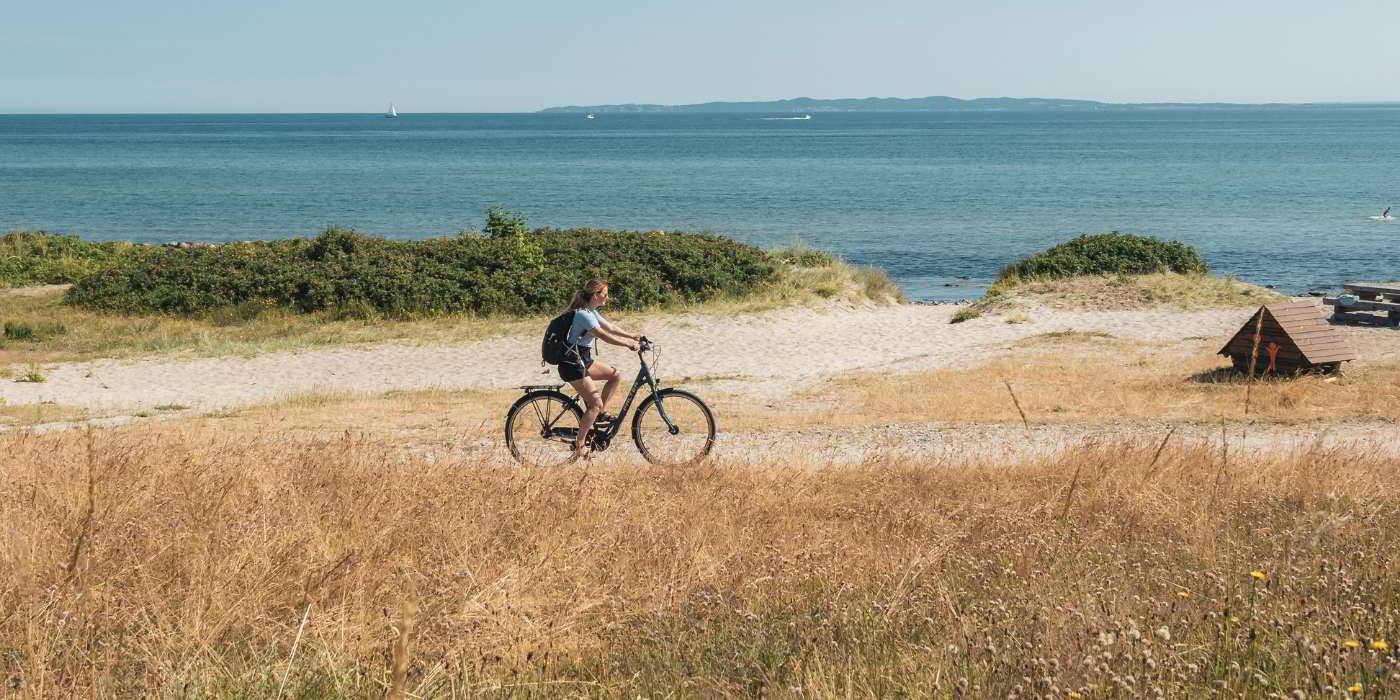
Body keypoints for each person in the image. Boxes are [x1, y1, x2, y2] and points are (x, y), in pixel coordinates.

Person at [558, 279, 641, 455]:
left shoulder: (591, 311)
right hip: (572, 363)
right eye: (605, 294)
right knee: (594, 403)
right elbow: (603, 335)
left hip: (583, 360)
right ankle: (580, 446)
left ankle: (600, 413)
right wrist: (627, 344)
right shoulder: (583, 314)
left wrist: (632, 335)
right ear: (596, 295)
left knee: (616, 375)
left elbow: (610, 327)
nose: (607, 297)